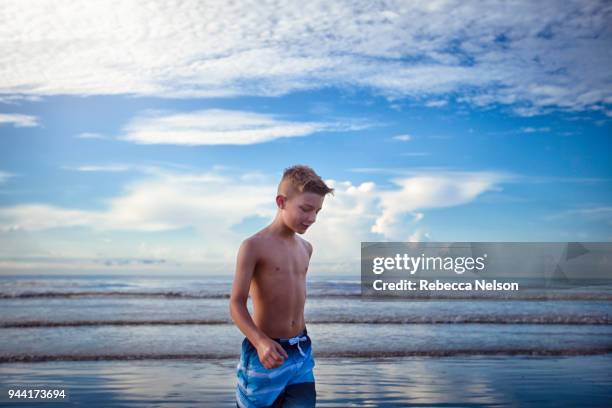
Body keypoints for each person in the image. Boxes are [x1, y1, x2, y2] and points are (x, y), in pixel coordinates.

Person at [230, 165, 334, 407]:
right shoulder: (253, 246)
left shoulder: (306, 248)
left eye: (317, 211)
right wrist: (260, 341)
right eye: (306, 209)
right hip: (266, 352)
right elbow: (236, 303)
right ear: (281, 201)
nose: (312, 218)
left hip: (301, 351)